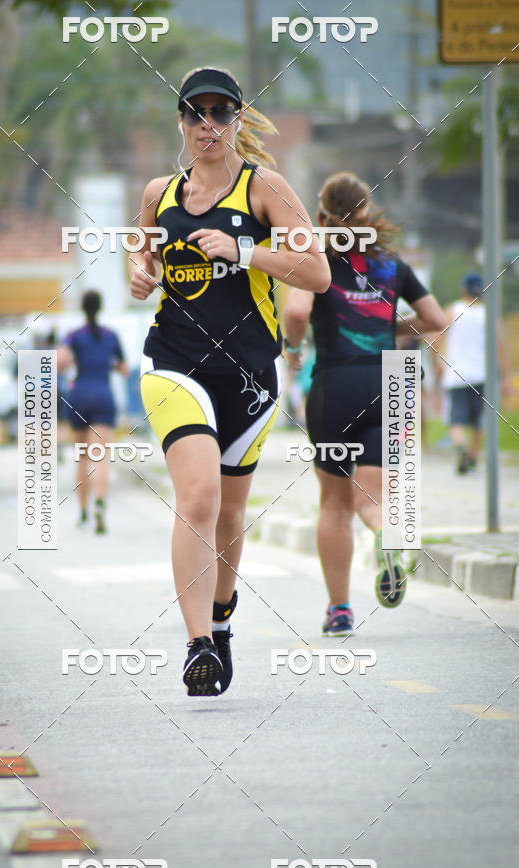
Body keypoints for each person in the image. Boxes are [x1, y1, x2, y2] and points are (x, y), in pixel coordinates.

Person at [129, 66, 330, 696]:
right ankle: (195, 647)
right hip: (173, 362)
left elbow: (317, 272)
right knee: (198, 497)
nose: (207, 125)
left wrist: (243, 252)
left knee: (230, 510)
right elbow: (143, 258)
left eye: (220, 113)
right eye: (195, 114)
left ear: (238, 120)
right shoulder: (159, 192)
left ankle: (219, 621)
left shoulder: (264, 187)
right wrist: (140, 274)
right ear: (181, 122)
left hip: (248, 373)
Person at [285, 172, 446, 637]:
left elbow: (296, 313)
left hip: (336, 382)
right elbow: (435, 320)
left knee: (334, 503)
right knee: (374, 497)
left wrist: (293, 349)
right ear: (367, 211)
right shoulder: (393, 265)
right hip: (390, 381)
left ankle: (339, 610)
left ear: (322, 215)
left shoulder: (315, 261)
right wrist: (388, 330)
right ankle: (387, 536)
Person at [57, 291, 129, 533]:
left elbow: (60, 362)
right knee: (100, 458)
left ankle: (83, 511)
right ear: (100, 307)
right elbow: (125, 369)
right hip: (103, 396)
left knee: (82, 458)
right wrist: (110, 364)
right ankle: (100, 503)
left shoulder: (74, 336)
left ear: (82, 307)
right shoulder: (111, 336)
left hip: (79, 395)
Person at [433, 272, 511, 474]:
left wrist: (437, 364)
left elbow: (437, 338)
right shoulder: (489, 314)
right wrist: (506, 376)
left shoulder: (452, 310)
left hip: (456, 373)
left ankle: (460, 446)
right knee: (479, 420)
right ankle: (473, 456)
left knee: (456, 418)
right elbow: (500, 347)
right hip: (483, 374)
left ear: (463, 289)